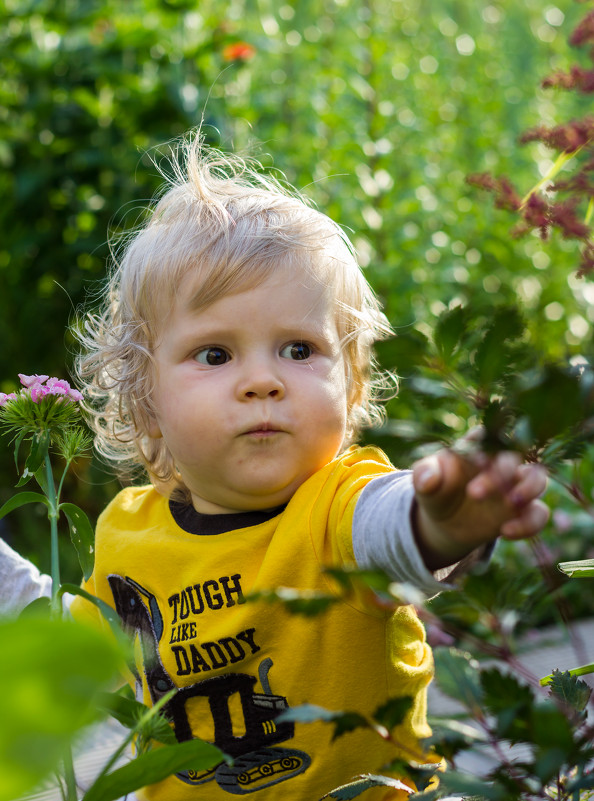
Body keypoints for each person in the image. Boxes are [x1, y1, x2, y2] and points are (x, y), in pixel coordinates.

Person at [0, 134, 548, 800]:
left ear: (350, 385)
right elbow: (78, 656)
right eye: (214, 355)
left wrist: (440, 515)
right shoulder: (128, 534)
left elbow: (391, 529)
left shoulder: (337, 506)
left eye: (298, 347)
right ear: (147, 399)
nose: (262, 380)